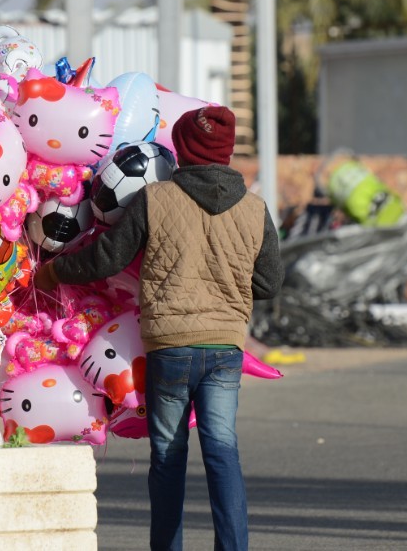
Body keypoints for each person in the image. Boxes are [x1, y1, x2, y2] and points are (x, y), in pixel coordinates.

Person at [34, 106, 282, 551]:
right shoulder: (255, 208)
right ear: (227, 151)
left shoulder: (156, 199)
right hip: (225, 349)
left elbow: (106, 257)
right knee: (223, 453)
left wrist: (53, 273)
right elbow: (268, 283)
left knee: (168, 457)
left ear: (183, 150)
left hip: (170, 348)